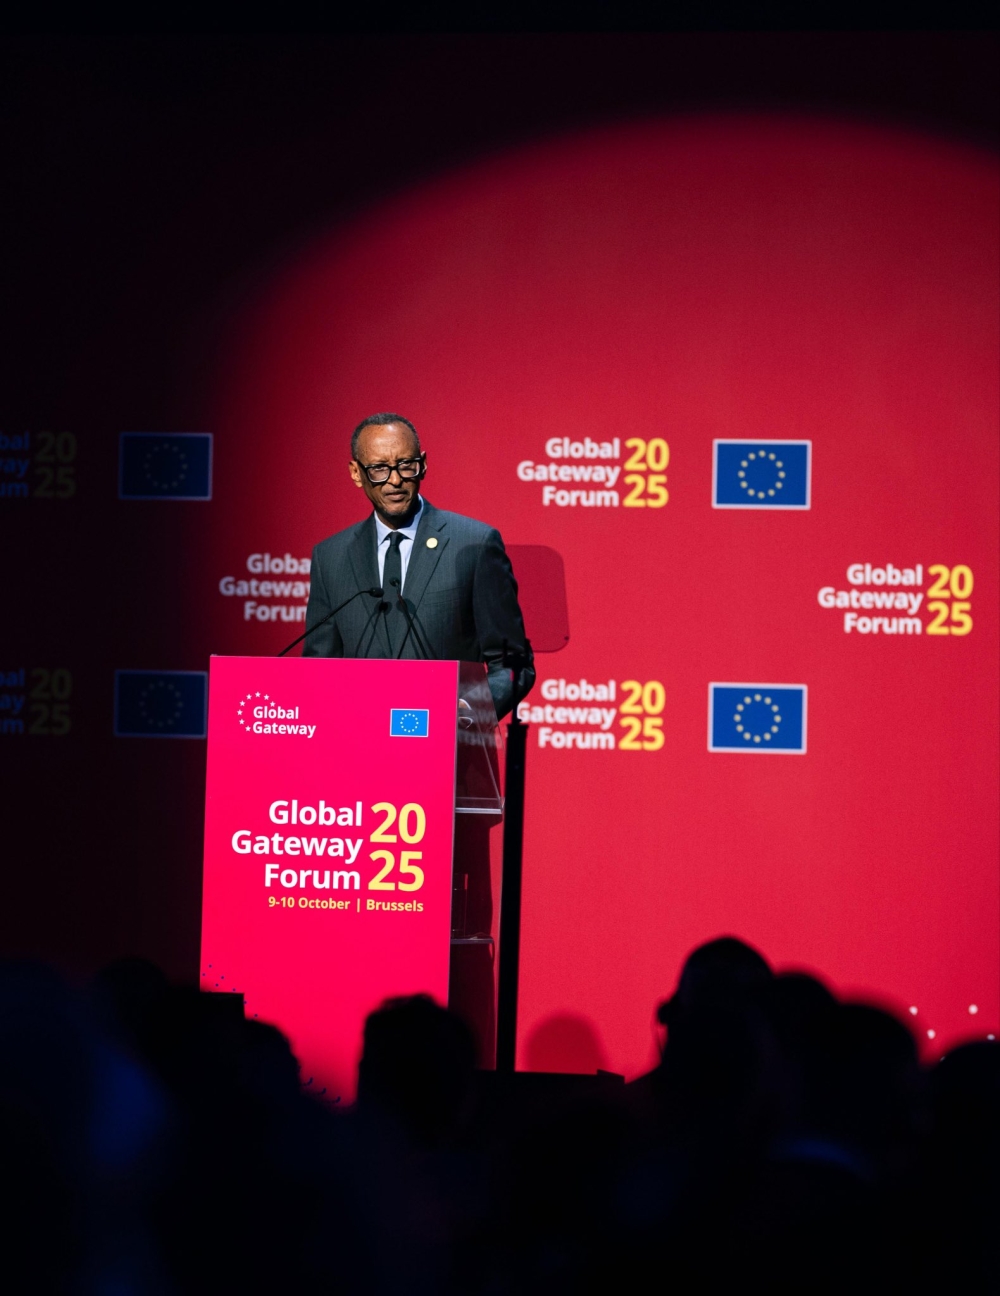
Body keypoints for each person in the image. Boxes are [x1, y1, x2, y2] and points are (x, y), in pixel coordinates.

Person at [304, 412, 534, 719]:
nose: (395, 480)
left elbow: (512, 665)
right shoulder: (330, 557)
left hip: (446, 746)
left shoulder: (474, 545)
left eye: (405, 465)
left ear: (422, 464)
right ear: (356, 473)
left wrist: (468, 712)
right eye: (379, 469)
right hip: (357, 747)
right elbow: (319, 668)